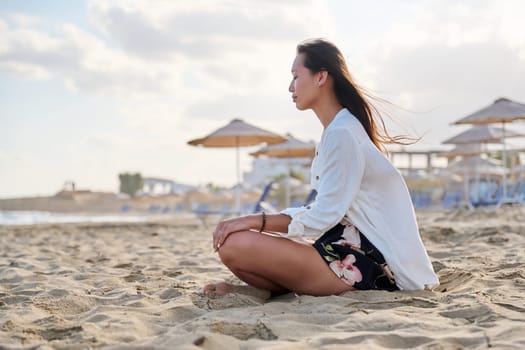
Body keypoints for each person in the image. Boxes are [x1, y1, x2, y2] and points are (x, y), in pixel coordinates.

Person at [204, 38, 439, 297]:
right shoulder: (336, 131)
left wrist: (253, 220)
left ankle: (263, 291)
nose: (290, 87)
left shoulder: (343, 134)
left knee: (235, 243)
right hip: (341, 248)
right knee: (234, 244)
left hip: (377, 267)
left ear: (321, 77)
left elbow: (322, 217)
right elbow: (326, 217)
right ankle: (259, 292)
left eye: (295, 76)